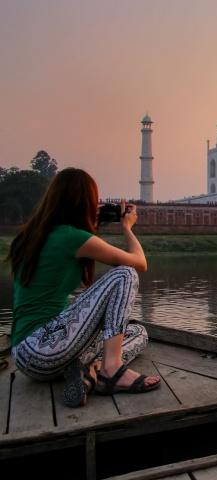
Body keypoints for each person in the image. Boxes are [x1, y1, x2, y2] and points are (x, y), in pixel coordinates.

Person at [7, 168, 160, 408]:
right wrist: (127, 227)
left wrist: (91, 226)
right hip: (43, 347)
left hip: (28, 356)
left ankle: (87, 373)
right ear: (83, 202)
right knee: (124, 274)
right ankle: (111, 370)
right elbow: (140, 263)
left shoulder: (30, 236)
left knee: (138, 333)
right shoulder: (72, 237)